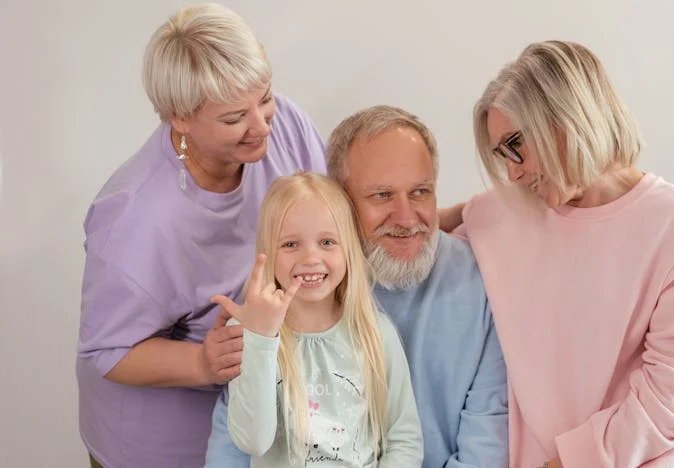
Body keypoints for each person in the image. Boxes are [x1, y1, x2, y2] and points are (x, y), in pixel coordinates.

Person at [448, 40, 674, 467]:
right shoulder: (508, 213)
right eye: (502, 155)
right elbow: (419, 220)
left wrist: (571, 461)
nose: (512, 170)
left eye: (516, 144)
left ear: (566, 117)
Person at [76, 4, 326, 467]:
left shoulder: (282, 124)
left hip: (262, 416)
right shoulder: (134, 221)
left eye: (265, 97)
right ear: (180, 118)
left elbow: (330, 216)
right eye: (234, 119)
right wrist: (201, 364)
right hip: (164, 442)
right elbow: (107, 353)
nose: (263, 125)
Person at [205, 105, 509, 468]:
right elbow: (236, 435)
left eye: (420, 192)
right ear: (342, 202)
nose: (406, 217)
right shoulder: (293, 287)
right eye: (381, 195)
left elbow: (487, 436)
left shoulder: (479, 282)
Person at [209, 172, 423, 466]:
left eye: (327, 242)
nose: (311, 258)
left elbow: (404, 438)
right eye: (290, 244)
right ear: (267, 252)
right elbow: (252, 440)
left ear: (348, 249)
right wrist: (261, 339)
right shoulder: (249, 334)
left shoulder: (375, 333)